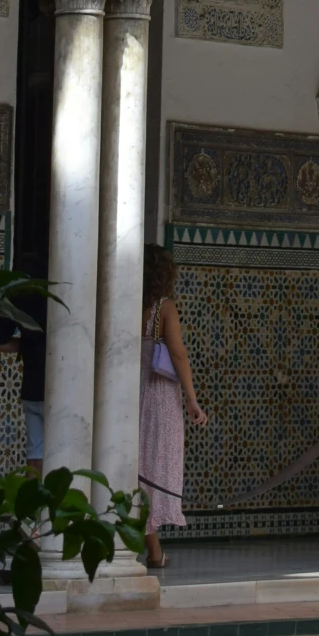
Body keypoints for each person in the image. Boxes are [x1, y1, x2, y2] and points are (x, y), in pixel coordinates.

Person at [139, 243, 207, 568]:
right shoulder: (164, 308)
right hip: (158, 398)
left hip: (127, 394)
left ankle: (149, 548)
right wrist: (193, 400)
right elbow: (178, 354)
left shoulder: (123, 302)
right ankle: (153, 551)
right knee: (151, 470)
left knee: (135, 469)